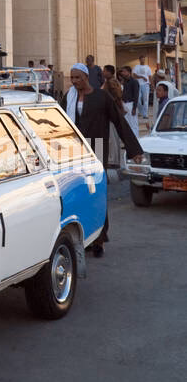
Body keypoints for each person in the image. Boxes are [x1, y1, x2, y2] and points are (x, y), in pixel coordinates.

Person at [64, 63, 144, 255]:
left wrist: (134, 150)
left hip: (97, 149)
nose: (75, 82)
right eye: (72, 78)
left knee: (97, 195)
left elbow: (119, 122)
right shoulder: (69, 97)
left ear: (86, 77)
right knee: (78, 195)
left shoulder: (101, 97)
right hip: (74, 152)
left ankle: (99, 239)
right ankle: (84, 237)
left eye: (78, 78)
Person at [118, 65, 140, 140]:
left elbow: (136, 95)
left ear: (129, 72)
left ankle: (136, 140)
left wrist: (134, 108)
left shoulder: (134, 82)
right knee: (127, 124)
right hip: (125, 104)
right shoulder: (125, 82)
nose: (123, 73)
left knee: (133, 124)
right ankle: (129, 141)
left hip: (131, 104)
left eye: (124, 71)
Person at [133, 54, 152, 120]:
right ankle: (141, 112)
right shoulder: (136, 67)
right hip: (138, 84)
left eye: (144, 59)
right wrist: (141, 77)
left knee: (146, 100)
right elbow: (134, 75)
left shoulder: (147, 67)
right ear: (139, 59)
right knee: (138, 99)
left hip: (146, 85)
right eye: (141, 59)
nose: (143, 60)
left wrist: (150, 84)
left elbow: (149, 76)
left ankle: (145, 114)